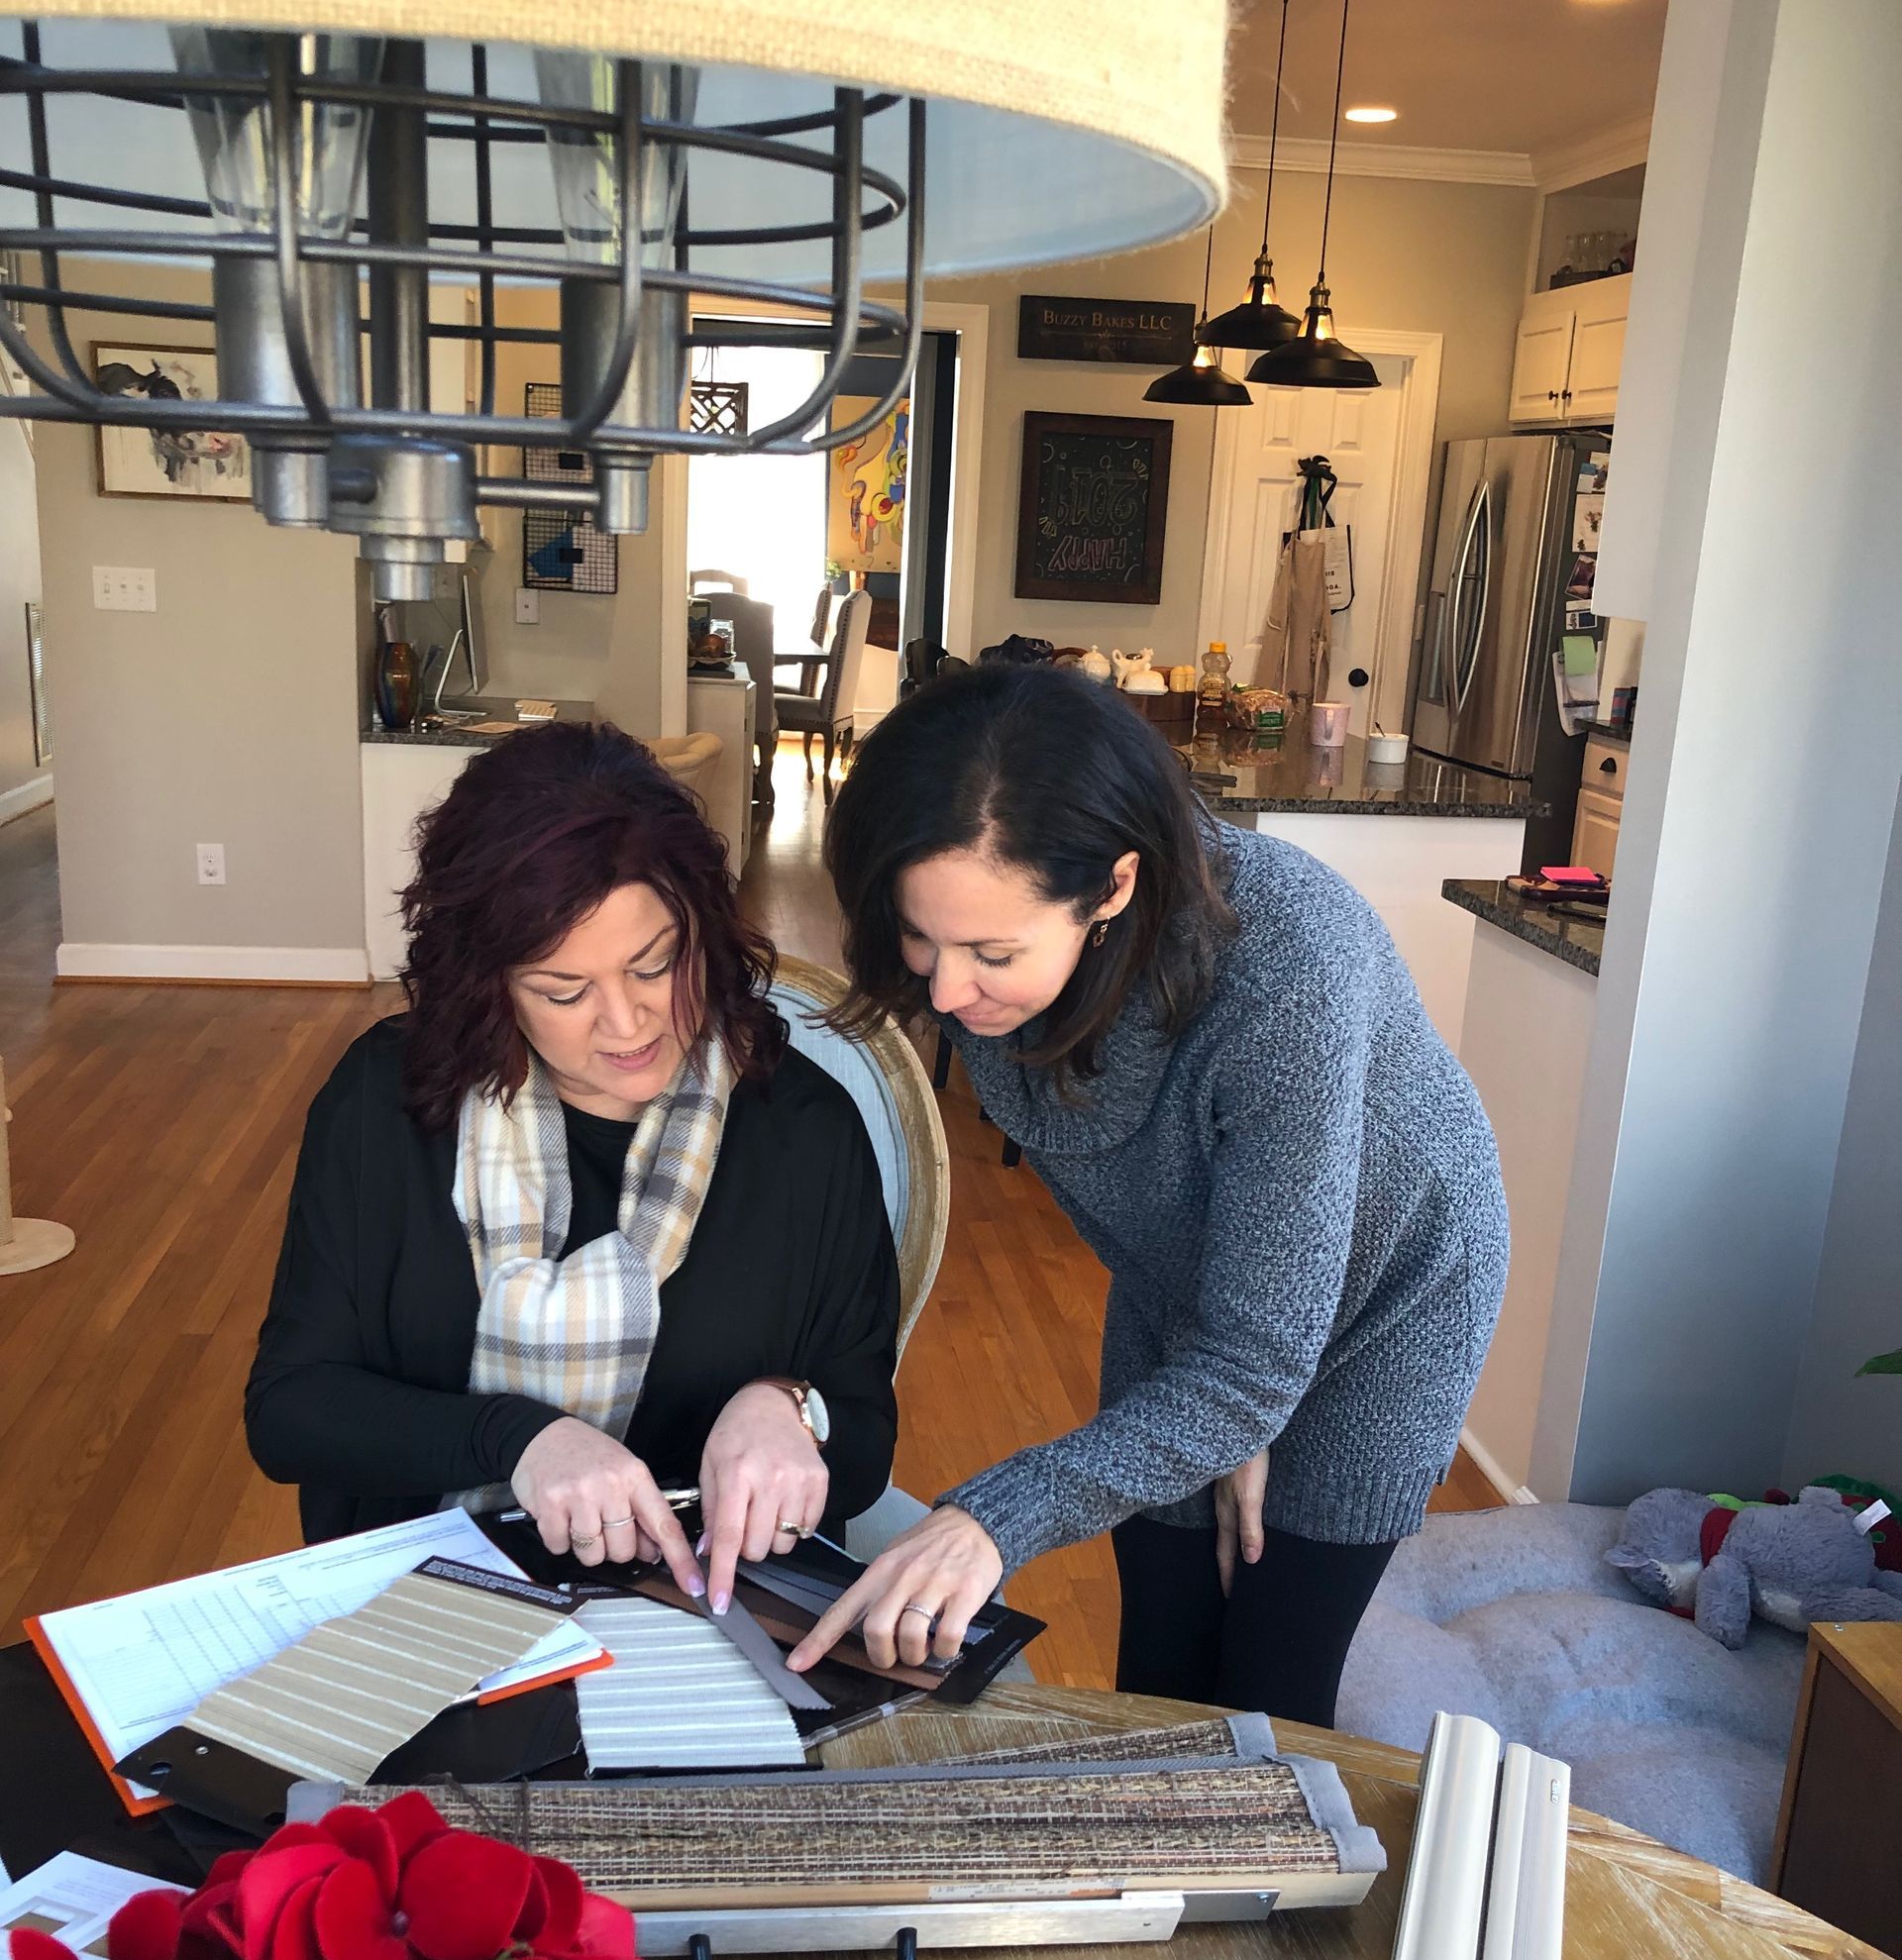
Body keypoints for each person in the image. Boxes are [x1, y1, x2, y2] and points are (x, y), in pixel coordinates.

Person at [787, 667, 1509, 1728]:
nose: (944, 992)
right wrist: (1224, 1398)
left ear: (1114, 888)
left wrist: (991, 1520)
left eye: (992, 952)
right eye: (920, 938)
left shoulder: (1287, 962)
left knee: (1272, 1689)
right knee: (1164, 1671)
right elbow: (1176, 1264)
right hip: (1191, 1285)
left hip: (1390, 1296)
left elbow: (1258, 1355)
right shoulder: (988, 982)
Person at [247, 720, 898, 1605]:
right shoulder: (387, 1104)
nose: (627, 1025)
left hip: (700, 1613)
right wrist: (513, 1441)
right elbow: (290, 1412)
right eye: (563, 991)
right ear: (489, 982)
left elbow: (860, 1443)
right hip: (411, 1604)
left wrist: (791, 1407)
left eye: (655, 965)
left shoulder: (804, 1135)